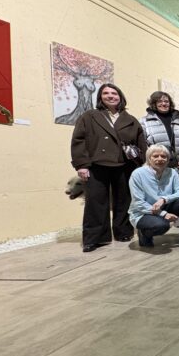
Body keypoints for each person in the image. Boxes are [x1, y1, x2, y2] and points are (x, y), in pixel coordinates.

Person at [71, 83, 147, 252]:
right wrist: (82, 165)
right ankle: (94, 238)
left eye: (114, 93)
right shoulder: (89, 116)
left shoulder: (130, 119)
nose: (110, 96)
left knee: (124, 200)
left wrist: (142, 163)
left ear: (120, 97)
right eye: (106, 93)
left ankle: (123, 232)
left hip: (125, 165)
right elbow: (78, 141)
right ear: (100, 97)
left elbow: (141, 142)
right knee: (95, 202)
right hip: (97, 165)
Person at [128, 144, 179, 247]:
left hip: (165, 207)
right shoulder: (138, 174)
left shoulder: (172, 172)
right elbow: (138, 203)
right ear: (149, 158)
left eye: (163, 156)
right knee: (162, 225)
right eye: (155, 156)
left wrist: (164, 199)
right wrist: (163, 214)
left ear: (167, 159)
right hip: (143, 212)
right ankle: (144, 233)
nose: (160, 159)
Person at [140, 91, 179, 172]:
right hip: (158, 168)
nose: (164, 104)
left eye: (166, 101)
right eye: (160, 101)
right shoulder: (144, 122)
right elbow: (143, 145)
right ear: (154, 103)